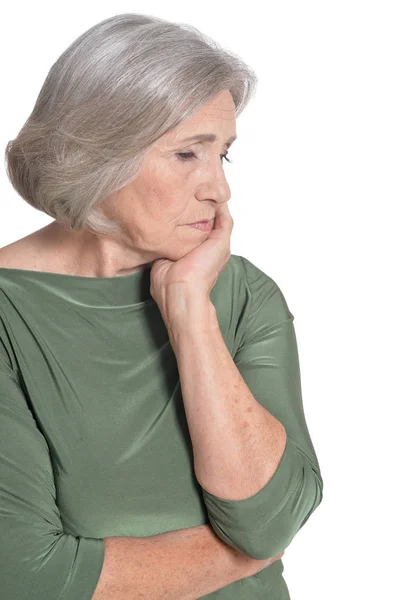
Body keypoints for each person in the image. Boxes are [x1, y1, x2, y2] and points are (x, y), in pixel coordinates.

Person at [0, 13, 323, 600]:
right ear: (99, 152)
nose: (218, 189)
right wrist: (240, 555)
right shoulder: (8, 316)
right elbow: (26, 575)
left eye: (222, 155)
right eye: (186, 155)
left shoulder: (245, 294)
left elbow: (270, 517)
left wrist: (190, 312)